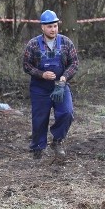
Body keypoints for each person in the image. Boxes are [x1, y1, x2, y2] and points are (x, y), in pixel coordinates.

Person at [22, 9, 78, 160]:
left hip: (60, 85)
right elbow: (26, 66)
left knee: (66, 113)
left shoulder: (66, 42)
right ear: (42, 27)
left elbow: (74, 64)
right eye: (49, 27)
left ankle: (58, 140)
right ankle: (38, 148)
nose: (53, 29)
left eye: (55, 26)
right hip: (40, 88)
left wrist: (65, 77)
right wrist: (41, 74)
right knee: (39, 118)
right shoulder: (33, 45)